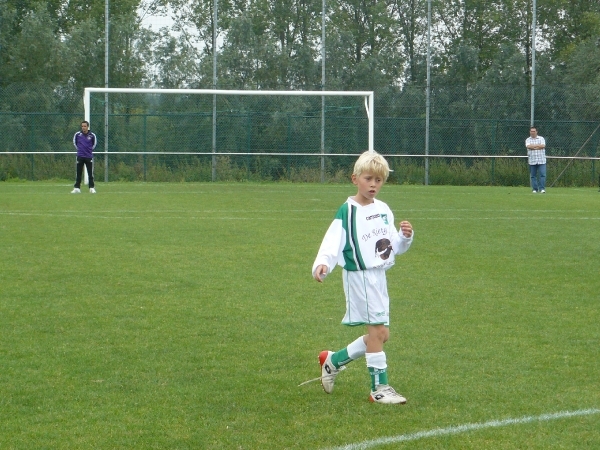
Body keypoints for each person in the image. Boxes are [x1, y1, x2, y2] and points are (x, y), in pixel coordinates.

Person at [312, 150, 414, 404]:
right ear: (354, 178)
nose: (373, 185)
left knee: (381, 335)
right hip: (360, 278)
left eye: (379, 180)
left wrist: (405, 237)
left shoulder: (383, 209)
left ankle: (332, 360)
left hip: (379, 277)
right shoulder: (347, 211)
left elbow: (393, 246)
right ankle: (378, 389)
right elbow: (332, 241)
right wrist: (323, 263)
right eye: (368, 179)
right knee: (377, 332)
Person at [71, 121, 97, 194]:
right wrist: (80, 150)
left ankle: (91, 187)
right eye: (82, 126)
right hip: (80, 156)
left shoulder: (92, 135)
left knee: (90, 173)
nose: (83, 128)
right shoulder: (77, 135)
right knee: (78, 173)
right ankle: (77, 188)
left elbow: (94, 144)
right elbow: (75, 143)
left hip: (88, 156)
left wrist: (88, 150)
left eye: (85, 126)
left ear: (87, 127)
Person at [525, 126, 546, 193]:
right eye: (531, 131)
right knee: (533, 176)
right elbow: (528, 146)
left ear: (536, 132)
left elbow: (543, 146)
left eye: (534, 131)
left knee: (542, 174)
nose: (532, 133)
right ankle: (535, 189)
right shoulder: (528, 139)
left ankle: (542, 189)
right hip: (532, 161)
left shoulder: (541, 138)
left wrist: (533, 147)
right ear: (530, 132)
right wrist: (537, 146)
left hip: (541, 160)